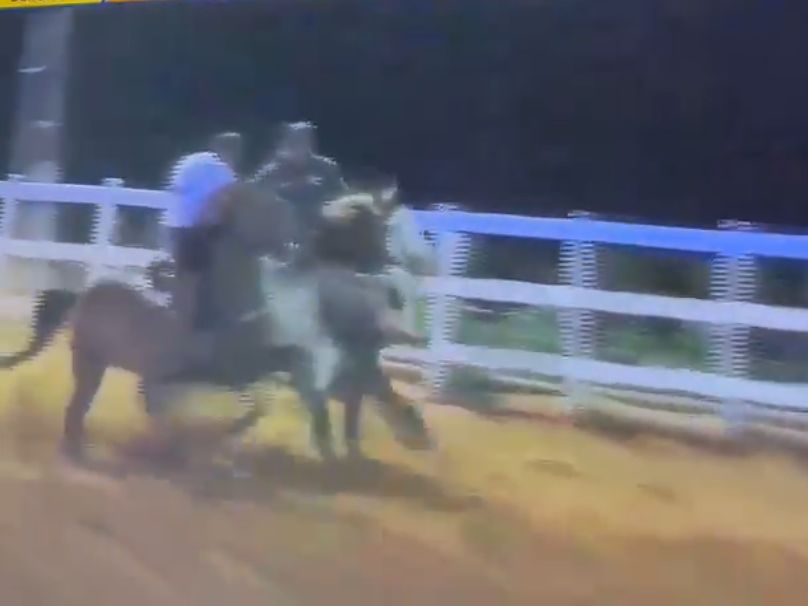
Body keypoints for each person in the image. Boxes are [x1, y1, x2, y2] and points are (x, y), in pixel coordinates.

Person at [164, 131, 243, 369]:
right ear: (231, 151)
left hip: (174, 229)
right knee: (208, 293)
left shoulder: (188, 161)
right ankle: (200, 354)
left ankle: (171, 343)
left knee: (181, 290)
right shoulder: (224, 172)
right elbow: (214, 208)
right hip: (198, 232)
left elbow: (176, 193)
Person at [252, 122, 347, 247]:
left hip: (321, 231)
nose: (297, 145)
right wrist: (289, 186)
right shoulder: (273, 171)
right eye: (293, 141)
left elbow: (342, 195)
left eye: (302, 141)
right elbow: (253, 195)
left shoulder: (326, 168)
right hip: (282, 235)